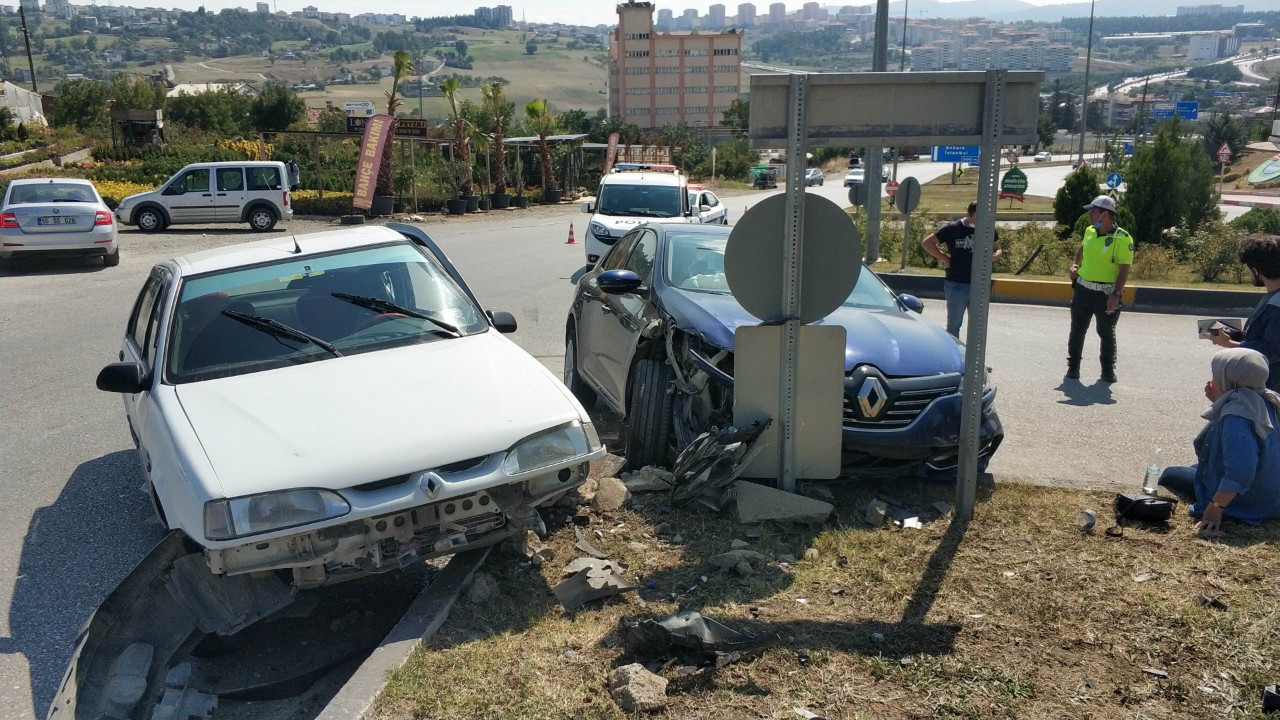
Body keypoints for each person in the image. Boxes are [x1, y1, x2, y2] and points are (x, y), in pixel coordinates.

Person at [1157, 348, 1280, 530]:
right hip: (1271, 492)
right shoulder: (1268, 398)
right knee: (1195, 468)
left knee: (1169, 474)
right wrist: (1223, 401)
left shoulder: (1237, 415)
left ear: (1227, 378)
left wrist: (1216, 507)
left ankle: (1222, 499)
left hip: (1249, 501)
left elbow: (1241, 470)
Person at [1067, 195, 1134, 383]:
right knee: (1077, 330)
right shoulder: (1089, 231)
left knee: (1106, 332)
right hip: (1083, 290)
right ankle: (1073, 368)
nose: (1089, 215)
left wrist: (1116, 294)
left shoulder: (1122, 238)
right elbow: (1082, 249)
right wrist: (1074, 265)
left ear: (1105, 215)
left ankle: (1107, 370)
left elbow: (1124, 270)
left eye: (1093, 211)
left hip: (1106, 294)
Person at [1207, 233, 1280, 393]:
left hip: (1269, 388)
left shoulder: (1276, 303)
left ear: (1256, 270)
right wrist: (1237, 336)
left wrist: (1229, 344)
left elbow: (1271, 350)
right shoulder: (1273, 297)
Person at [921, 201, 1003, 338]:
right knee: (954, 325)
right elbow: (927, 243)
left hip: (980, 284)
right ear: (969, 215)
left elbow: (997, 248)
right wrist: (944, 258)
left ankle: (972, 358)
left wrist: (995, 256)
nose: (981, 221)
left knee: (977, 326)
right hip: (957, 283)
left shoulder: (988, 229)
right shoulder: (952, 228)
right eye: (978, 217)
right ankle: (956, 356)